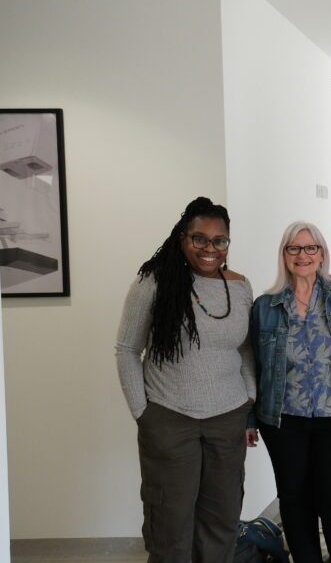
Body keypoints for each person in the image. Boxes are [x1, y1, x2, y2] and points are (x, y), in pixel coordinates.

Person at [115, 196, 255, 562]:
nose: (210, 248)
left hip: (227, 419)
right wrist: (143, 413)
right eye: (200, 239)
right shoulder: (155, 282)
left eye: (219, 241)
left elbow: (244, 349)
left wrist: (248, 401)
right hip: (169, 417)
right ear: (182, 238)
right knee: (171, 524)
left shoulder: (239, 287)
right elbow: (128, 349)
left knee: (222, 520)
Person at [250, 222, 331, 563]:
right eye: (294, 249)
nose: (303, 255)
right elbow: (255, 365)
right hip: (283, 421)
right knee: (295, 500)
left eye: (310, 248)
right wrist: (250, 418)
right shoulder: (265, 306)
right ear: (284, 255)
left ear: (322, 254)